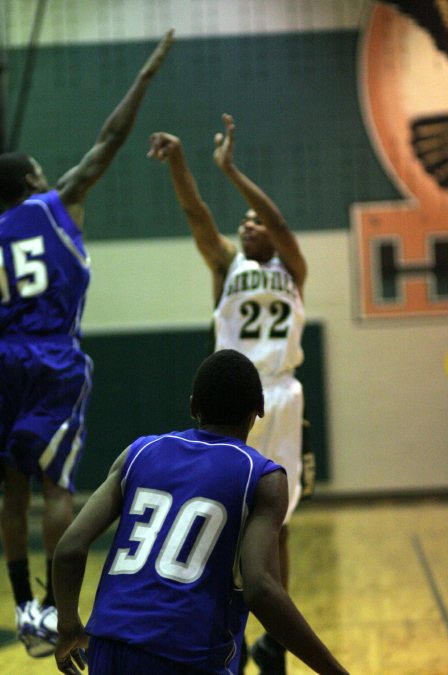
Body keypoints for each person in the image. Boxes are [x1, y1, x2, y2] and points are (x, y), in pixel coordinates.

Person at [0, 28, 174, 659]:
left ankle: (25, 606)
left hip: (3, 358)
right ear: (32, 178)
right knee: (56, 486)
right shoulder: (55, 203)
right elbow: (109, 139)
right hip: (52, 354)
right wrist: (147, 74)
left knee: (11, 488)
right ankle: (54, 608)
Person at [52, 349, 348, 675]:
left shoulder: (138, 453)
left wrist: (68, 627)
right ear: (260, 408)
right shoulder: (262, 477)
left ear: (193, 406)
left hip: (108, 648)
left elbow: (69, 549)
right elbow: (262, 589)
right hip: (186, 656)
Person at [149, 113, 308, 674]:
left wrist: (233, 170)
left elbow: (278, 218)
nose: (246, 224)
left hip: (282, 396)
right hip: (233, 392)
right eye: (241, 221)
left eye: (253, 220)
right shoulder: (226, 262)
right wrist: (182, 162)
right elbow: (197, 213)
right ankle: (231, 633)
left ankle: (276, 642)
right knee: (229, 512)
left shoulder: (293, 265)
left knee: (278, 518)